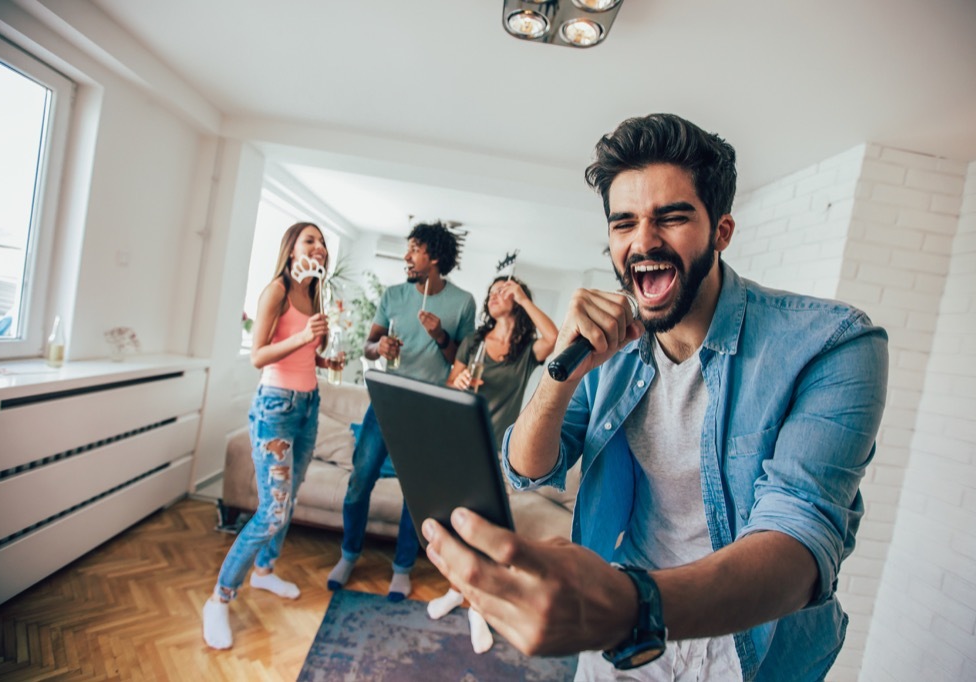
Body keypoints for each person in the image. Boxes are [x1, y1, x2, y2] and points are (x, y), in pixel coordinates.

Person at [421, 114, 889, 681]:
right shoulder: (609, 349)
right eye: (625, 223)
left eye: (671, 217)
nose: (643, 241)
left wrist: (624, 604)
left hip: (750, 648)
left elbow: (800, 545)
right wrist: (562, 370)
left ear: (721, 231)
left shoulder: (831, 344)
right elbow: (526, 468)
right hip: (621, 640)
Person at [203, 221, 342, 650]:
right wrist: (303, 336)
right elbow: (260, 355)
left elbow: (300, 351)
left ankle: (264, 572)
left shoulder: (313, 292)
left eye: (322, 242)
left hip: (307, 408)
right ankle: (219, 599)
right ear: (292, 247)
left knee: (288, 500)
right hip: (275, 411)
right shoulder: (277, 290)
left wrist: (323, 359)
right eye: (310, 240)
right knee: (273, 511)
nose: (318, 247)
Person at [327, 221, 476, 601]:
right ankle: (348, 555)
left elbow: (463, 360)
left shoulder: (463, 303)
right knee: (360, 479)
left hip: (430, 410)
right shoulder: (393, 296)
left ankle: (402, 568)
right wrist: (382, 349)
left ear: (435, 257)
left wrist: (440, 335)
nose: (406, 257)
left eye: (414, 249)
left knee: (416, 493)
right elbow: (368, 346)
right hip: (387, 401)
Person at [427, 276, 558, 653]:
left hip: (498, 451)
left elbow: (554, 337)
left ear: (519, 297)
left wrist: (521, 296)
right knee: (454, 523)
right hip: (460, 443)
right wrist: (459, 381)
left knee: (484, 528)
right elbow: (451, 384)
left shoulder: (525, 353)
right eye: (493, 291)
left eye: (505, 290)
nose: (495, 294)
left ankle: (477, 608)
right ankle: (458, 593)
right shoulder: (473, 342)